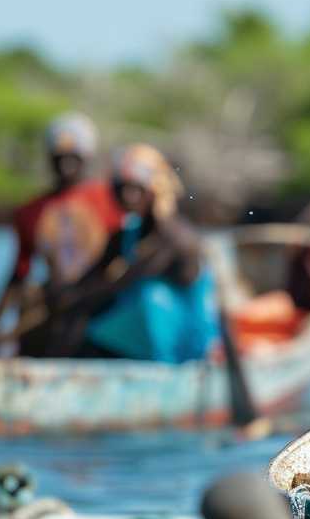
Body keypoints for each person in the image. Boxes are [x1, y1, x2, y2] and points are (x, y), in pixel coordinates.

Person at [0, 112, 122, 357]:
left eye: (73, 157)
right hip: (53, 305)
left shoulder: (111, 200)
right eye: (60, 157)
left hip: (99, 305)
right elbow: (18, 276)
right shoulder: (30, 212)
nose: (66, 164)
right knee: (30, 299)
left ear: (87, 157)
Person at [47, 143, 218, 362]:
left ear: (153, 191)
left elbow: (124, 281)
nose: (128, 196)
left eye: (136, 189)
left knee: (149, 297)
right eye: (123, 188)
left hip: (186, 344)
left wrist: (76, 298)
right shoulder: (126, 235)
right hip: (142, 341)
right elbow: (91, 278)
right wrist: (64, 295)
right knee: (80, 314)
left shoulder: (176, 236)